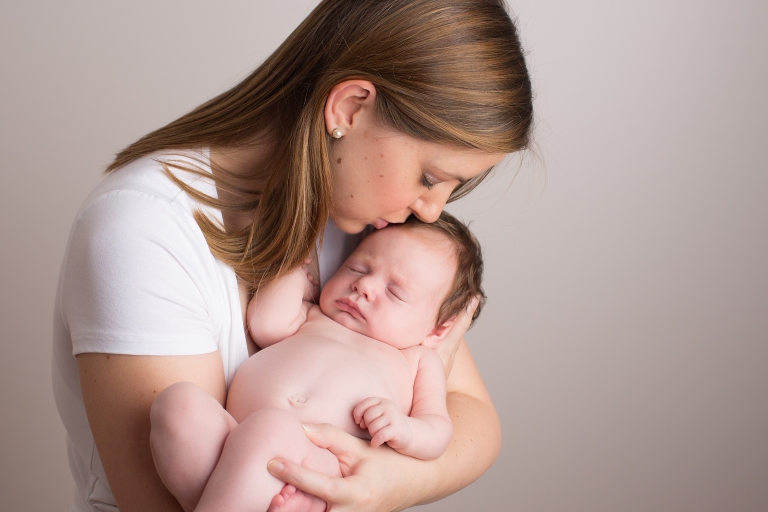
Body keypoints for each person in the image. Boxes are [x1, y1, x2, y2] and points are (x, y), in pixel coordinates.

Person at [52, 0, 533, 510]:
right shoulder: (142, 228)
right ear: (349, 107)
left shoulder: (368, 232)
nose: (432, 212)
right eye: (430, 178)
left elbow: (474, 421)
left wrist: (384, 484)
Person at [150, 214, 486, 512]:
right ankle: (229, 497)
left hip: (316, 464)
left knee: (271, 426)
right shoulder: (314, 315)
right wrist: (295, 273)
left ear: (439, 329)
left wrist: (405, 429)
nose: (364, 286)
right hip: (234, 441)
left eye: (395, 291)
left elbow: (438, 430)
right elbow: (266, 323)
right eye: (358, 267)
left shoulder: (417, 361)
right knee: (179, 404)